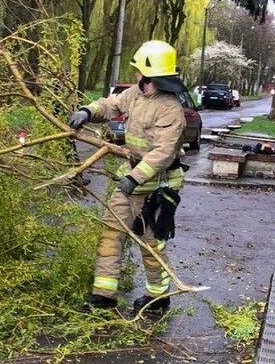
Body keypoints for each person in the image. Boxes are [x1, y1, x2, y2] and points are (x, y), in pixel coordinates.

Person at [67, 40, 187, 313]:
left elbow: (164, 153)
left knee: (151, 243)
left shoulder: (170, 108)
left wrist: (135, 178)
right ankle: (103, 296)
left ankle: (158, 297)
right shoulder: (135, 94)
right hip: (130, 181)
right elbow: (111, 105)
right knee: (111, 233)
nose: (135, 74)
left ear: (147, 73)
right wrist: (88, 111)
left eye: (138, 70)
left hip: (157, 186)